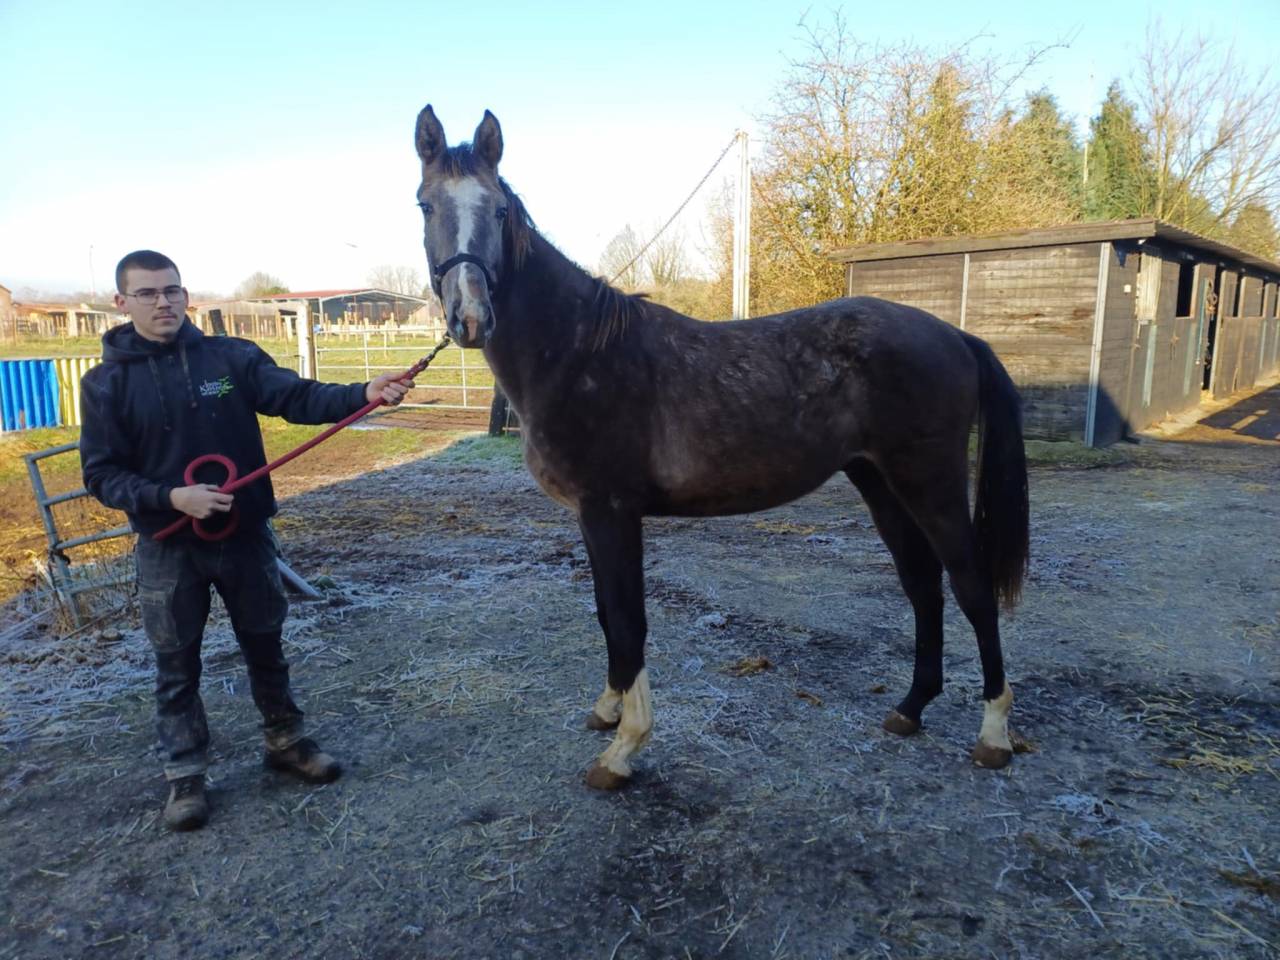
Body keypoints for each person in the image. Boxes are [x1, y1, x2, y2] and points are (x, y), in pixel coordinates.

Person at [80, 250, 412, 831]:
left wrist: (363, 391)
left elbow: (296, 396)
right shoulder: (107, 383)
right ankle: (185, 776)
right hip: (169, 544)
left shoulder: (229, 358)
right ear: (122, 302)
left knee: (265, 644)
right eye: (149, 293)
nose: (164, 302)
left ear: (186, 296)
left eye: (173, 291)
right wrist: (171, 498)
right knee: (177, 661)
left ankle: (286, 741)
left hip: (244, 534)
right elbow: (102, 474)